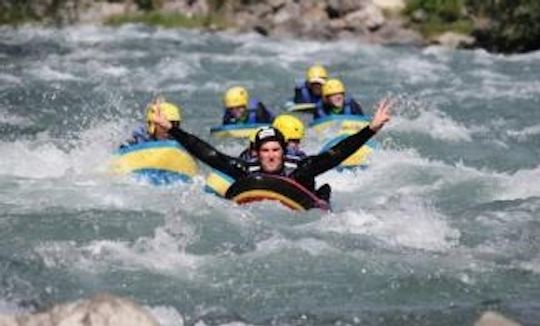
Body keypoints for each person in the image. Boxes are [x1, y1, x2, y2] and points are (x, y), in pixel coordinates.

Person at [151, 99, 392, 201]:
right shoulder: (247, 170)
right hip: (255, 193)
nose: (270, 155)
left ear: (284, 151)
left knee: (322, 188)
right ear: (256, 152)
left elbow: (338, 153)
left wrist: (370, 129)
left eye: (275, 149)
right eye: (265, 150)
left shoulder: (300, 170)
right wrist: (172, 130)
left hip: (300, 200)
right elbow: (207, 153)